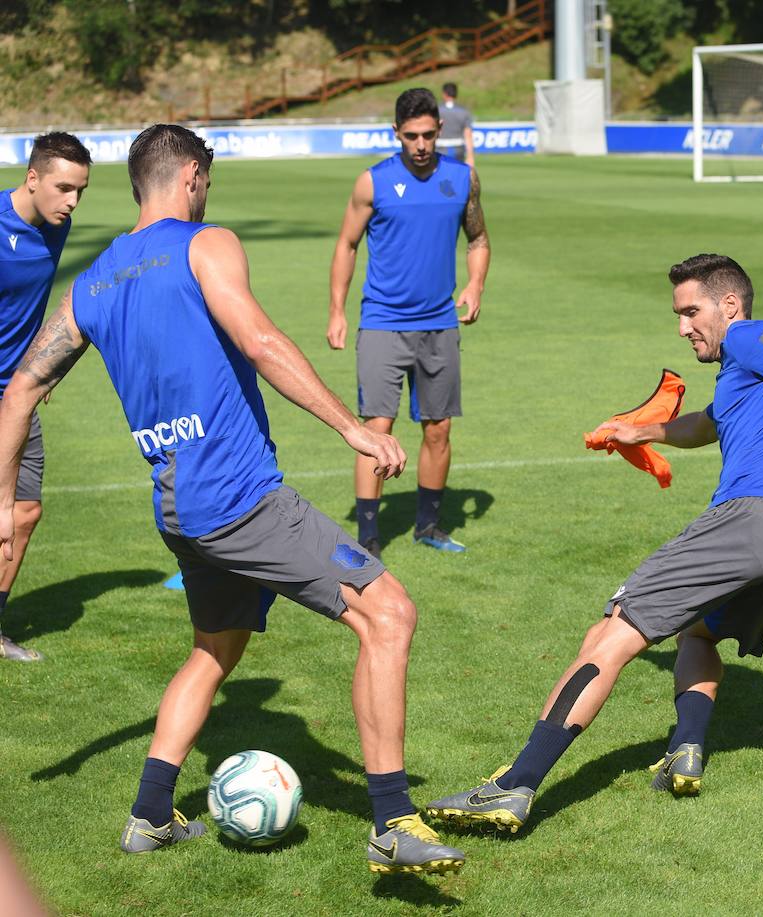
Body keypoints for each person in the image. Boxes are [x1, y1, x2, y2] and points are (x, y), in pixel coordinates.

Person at [0, 124, 463, 874]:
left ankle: (150, 814)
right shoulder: (204, 242)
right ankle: (392, 821)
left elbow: (19, 390)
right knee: (389, 613)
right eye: (205, 179)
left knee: (216, 647)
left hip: (179, 506)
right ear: (189, 176)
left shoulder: (93, 282)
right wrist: (353, 428)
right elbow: (261, 340)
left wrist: (0, 498)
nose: (206, 190)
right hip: (240, 499)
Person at [423, 253, 763, 830]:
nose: (683, 327)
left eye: (691, 312)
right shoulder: (751, 377)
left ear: (729, 306)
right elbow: (708, 424)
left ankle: (513, 787)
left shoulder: (752, 337)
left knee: (610, 634)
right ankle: (687, 748)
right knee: (699, 632)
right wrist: (642, 430)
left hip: (751, 522)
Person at [328, 87, 489, 558]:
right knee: (376, 426)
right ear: (395, 133)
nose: (420, 144)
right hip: (382, 322)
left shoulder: (463, 179)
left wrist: (476, 284)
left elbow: (478, 239)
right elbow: (346, 245)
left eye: (427, 135)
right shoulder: (371, 183)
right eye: (410, 136)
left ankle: (428, 527)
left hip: (440, 323)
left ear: (441, 130)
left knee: (438, 428)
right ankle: (368, 538)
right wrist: (337, 309)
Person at [0, 132, 90, 662]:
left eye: (80, 190)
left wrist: (39, 372)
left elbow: (34, 306)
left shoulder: (59, 227)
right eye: (63, 188)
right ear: (31, 178)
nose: (72, 202)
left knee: (25, 511)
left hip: (16, 395)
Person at [438, 82, 476, 168]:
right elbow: (468, 134)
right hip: (458, 149)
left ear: (444, 94)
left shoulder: (436, 110)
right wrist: (470, 156)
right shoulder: (464, 111)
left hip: (440, 149)